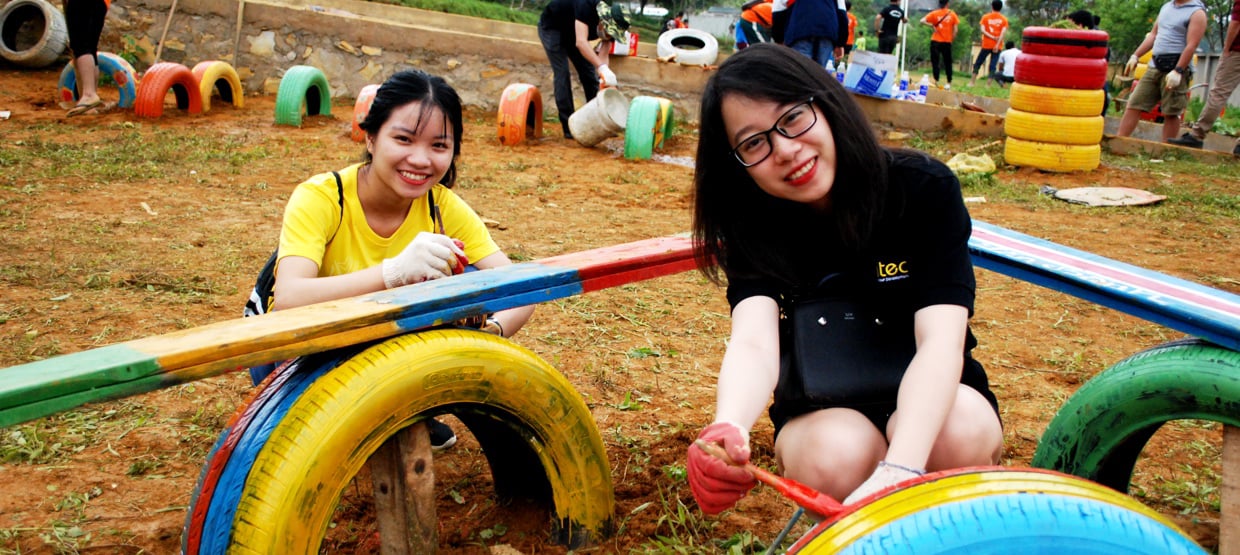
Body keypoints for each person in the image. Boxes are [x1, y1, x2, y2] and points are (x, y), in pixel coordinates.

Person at [684, 43, 1002, 516]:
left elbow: (941, 340)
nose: (786, 151)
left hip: (937, 395)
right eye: (754, 143)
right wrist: (727, 425)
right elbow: (753, 341)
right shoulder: (751, 222)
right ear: (736, 161)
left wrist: (902, 468)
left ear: (825, 103)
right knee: (832, 456)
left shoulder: (920, 188)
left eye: (792, 118)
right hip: (820, 408)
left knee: (960, 430)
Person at [268, 69, 536, 450]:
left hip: (388, 360)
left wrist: (486, 335)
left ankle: (410, 412)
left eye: (439, 146)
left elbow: (521, 288)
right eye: (403, 139)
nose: (420, 159)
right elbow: (289, 301)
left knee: (472, 275)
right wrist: (392, 273)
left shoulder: (442, 207)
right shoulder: (324, 198)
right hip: (307, 355)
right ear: (372, 136)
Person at [538, 0, 630, 139]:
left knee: (589, 75)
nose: (609, 36)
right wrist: (601, 67)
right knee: (562, 74)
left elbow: (603, 55)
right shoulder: (586, 6)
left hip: (573, 33)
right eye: (609, 32)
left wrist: (605, 77)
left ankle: (599, 121)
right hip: (553, 28)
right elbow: (581, 42)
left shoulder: (612, 27)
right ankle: (569, 126)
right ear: (603, 20)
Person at [1117, 0, 1208, 140]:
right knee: (1134, 103)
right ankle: (1119, 140)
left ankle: (1165, 149)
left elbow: (1192, 45)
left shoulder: (1197, 13)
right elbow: (1153, 35)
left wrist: (1178, 70)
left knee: (1171, 112)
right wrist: (1136, 55)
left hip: (1175, 67)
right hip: (1155, 65)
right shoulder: (1166, 7)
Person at [1169, 0, 1240, 154]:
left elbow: (1236, 23)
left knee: (1219, 93)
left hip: (1237, 53)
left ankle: (1197, 136)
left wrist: (1227, 49)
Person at [63, 0, 112, 116]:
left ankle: (89, 94)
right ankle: (90, 103)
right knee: (90, 47)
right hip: (102, 3)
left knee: (81, 46)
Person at [784, 0, 848, 67]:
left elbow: (780, 9)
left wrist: (779, 38)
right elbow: (842, 13)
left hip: (800, 29)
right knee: (819, 72)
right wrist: (840, 43)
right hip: (827, 30)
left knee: (800, 70)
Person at [967, 1, 1008, 87]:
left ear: (992, 6)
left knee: (978, 62)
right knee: (993, 65)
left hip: (986, 44)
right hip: (998, 46)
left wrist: (992, 37)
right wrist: (997, 44)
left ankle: (972, 82)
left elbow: (983, 30)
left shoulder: (985, 17)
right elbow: (1003, 33)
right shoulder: (1004, 19)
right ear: (1001, 7)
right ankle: (988, 85)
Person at [921, 0, 959, 89]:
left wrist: (931, 25)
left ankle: (936, 80)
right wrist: (951, 39)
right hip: (947, 41)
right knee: (948, 62)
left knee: (935, 61)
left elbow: (922, 20)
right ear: (947, 4)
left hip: (935, 41)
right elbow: (956, 30)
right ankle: (949, 81)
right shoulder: (952, 14)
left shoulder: (935, 13)